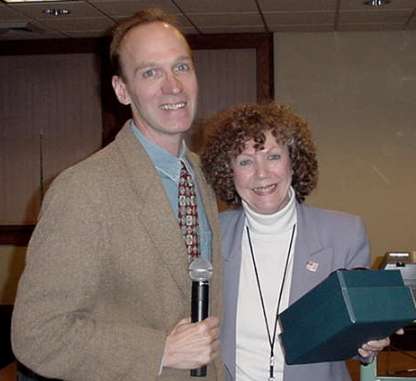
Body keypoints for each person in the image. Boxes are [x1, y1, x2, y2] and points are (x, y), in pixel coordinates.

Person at [11, 9, 224, 381]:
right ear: (122, 90)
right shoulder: (83, 190)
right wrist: (161, 350)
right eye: (150, 72)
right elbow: (36, 334)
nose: (172, 86)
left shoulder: (206, 177)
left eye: (181, 67)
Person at [201, 102, 396, 381]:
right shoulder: (210, 236)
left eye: (273, 157)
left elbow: (354, 335)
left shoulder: (344, 233)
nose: (261, 173)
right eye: (245, 161)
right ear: (228, 173)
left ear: (294, 161)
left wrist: (368, 340)